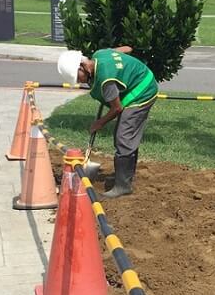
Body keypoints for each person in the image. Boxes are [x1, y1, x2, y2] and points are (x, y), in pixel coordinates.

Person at [57, 46, 158, 198]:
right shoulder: (100, 54)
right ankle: (125, 176)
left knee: (124, 137)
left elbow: (117, 108)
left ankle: (122, 186)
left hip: (142, 91)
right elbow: (123, 50)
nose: (80, 82)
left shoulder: (106, 81)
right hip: (141, 79)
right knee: (125, 136)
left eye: (78, 78)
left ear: (82, 66)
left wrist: (100, 123)